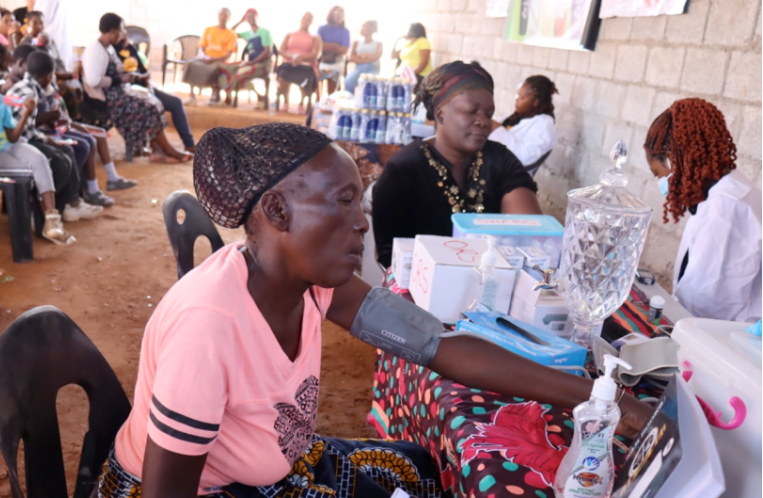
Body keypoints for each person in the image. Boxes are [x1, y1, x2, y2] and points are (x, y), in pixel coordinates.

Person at [94, 122, 653, 497]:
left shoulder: (314, 285)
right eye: (342, 202)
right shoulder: (209, 327)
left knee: (419, 468)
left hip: (273, 466)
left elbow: (440, 346)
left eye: (359, 200)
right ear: (276, 211)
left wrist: (600, 397)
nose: (362, 221)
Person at [372, 62, 541, 267]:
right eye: (471, 111)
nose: (483, 122)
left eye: (489, 114)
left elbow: (528, 236)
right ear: (440, 113)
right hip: (420, 292)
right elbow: (391, 256)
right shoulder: (404, 169)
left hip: (495, 285)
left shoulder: (501, 160)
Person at [644, 98, 763, 322]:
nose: (661, 183)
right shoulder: (730, 191)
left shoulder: (725, 209)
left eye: (658, 174)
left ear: (673, 162)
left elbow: (706, 306)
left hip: (727, 339)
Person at [0, 53, 75, 245]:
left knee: (40, 159)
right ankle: (35, 220)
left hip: (8, 145)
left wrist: (26, 114)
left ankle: (52, 222)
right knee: (29, 171)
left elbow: (12, 137)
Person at [6, 50, 103, 221]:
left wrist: (49, 140)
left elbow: (28, 129)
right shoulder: (29, 94)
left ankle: (72, 203)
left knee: (66, 149)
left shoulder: (28, 86)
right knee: (58, 162)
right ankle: (40, 213)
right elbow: (22, 133)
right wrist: (47, 139)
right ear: (49, 76)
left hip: (25, 137)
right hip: (16, 143)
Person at [82, 13, 191, 163]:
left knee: (153, 101)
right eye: (121, 30)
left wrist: (131, 76)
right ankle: (167, 150)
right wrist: (120, 79)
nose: (122, 34)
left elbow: (117, 71)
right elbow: (93, 81)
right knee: (149, 107)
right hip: (105, 99)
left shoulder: (108, 48)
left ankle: (158, 149)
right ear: (113, 31)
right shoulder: (96, 49)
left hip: (117, 93)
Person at [114, 33, 196, 153]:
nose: (126, 37)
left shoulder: (130, 49)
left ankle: (189, 144)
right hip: (130, 92)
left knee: (176, 102)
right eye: (121, 32)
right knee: (152, 105)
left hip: (145, 87)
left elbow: (142, 70)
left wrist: (144, 77)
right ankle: (157, 147)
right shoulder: (111, 53)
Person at [489, 75, 558, 169]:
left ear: (535, 102)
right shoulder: (514, 116)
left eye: (521, 97)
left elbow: (525, 158)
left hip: (506, 175)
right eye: (517, 95)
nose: (516, 99)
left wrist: (497, 129)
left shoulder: (544, 125)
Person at [182, 8, 237, 106]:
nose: (223, 17)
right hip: (205, 58)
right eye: (221, 15)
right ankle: (191, 96)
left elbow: (227, 55)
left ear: (228, 18)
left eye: (225, 15)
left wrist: (212, 59)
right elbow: (201, 47)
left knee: (213, 68)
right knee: (190, 63)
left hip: (219, 60)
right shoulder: (209, 30)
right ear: (218, 16)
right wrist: (204, 57)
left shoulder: (231, 34)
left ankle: (214, 93)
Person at [225, 8, 273, 108]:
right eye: (248, 17)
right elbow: (230, 32)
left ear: (257, 17)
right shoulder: (248, 34)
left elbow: (267, 51)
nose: (250, 19)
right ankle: (259, 96)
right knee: (231, 69)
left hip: (263, 65)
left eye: (252, 16)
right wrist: (241, 21)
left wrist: (253, 62)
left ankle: (228, 99)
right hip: (251, 65)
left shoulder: (264, 32)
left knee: (240, 73)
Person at [275, 12, 321, 114]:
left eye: (309, 19)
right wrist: (293, 57)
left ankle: (301, 103)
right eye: (305, 18)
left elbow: (315, 53)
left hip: (306, 65)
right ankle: (285, 101)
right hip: (289, 63)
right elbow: (281, 50)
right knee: (282, 74)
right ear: (301, 19)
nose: (306, 21)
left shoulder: (315, 37)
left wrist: (301, 58)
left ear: (311, 22)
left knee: (306, 79)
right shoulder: (290, 34)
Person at [21, 11, 75, 82]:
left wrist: (64, 70)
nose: (39, 26)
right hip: (42, 77)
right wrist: (57, 74)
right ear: (28, 24)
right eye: (35, 23)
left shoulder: (49, 40)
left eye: (42, 23)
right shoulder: (26, 41)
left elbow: (57, 59)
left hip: (56, 74)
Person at [32, 0, 73, 71]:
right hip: (55, 40)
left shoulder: (37, 39)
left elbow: (42, 17)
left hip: (51, 41)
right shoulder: (30, 39)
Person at [317, 5, 349, 95]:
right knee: (316, 73)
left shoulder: (345, 31)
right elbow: (318, 45)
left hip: (337, 62)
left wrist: (326, 46)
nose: (339, 15)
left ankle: (330, 99)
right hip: (322, 60)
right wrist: (336, 45)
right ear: (331, 14)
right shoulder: (322, 28)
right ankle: (318, 101)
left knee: (334, 76)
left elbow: (344, 50)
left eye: (341, 14)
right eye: (337, 13)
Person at [343, 20, 382, 94]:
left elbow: (377, 56)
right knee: (349, 81)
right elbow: (351, 58)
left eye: (364, 26)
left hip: (373, 70)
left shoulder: (378, 43)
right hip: (359, 69)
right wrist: (369, 58)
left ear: (372, 29)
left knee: (373, 83)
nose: (361, 28)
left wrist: (362, 55)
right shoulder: (356, 42)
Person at [393, 23, 432, 87]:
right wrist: (397, 40)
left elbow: (424, 62)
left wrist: (411, 75)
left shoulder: (423, 41)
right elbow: (393, 56)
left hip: (418, 77)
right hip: (404, 76)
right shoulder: (408, 44)